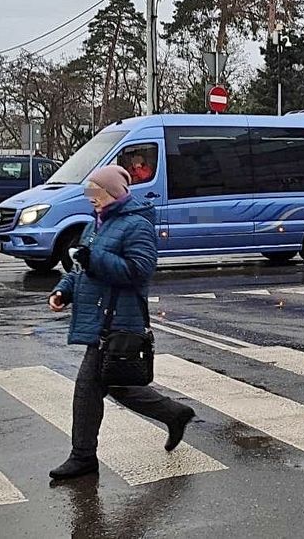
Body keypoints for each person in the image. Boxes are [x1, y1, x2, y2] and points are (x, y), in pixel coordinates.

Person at [47, 165, 194, 480]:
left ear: (113, 192)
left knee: (87, 389)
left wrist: (95, 260)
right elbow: (81, 268)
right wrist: (63, 290)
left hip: (117, 320)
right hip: (100, 319)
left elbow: (139, 271)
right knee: (117, 386)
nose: (91, 200)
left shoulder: (137, 226)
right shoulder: (96, 224)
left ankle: (83, 457)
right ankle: (175, 413)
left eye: (95, 193)